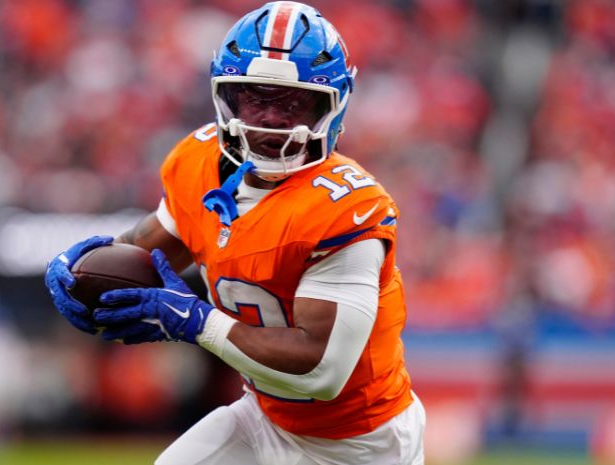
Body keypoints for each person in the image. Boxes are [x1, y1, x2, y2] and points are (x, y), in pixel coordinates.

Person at [45, 2, 425, 464]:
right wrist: (77, 268)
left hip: (357, 441)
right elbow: (142, 254)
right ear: (226, 97)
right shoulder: (200, 162)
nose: (269, 119)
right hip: (264, 413)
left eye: (292, 103)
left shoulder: (347, 210)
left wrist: (197, 322)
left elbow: (323, 372)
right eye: (255, 98)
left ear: (333, 104)